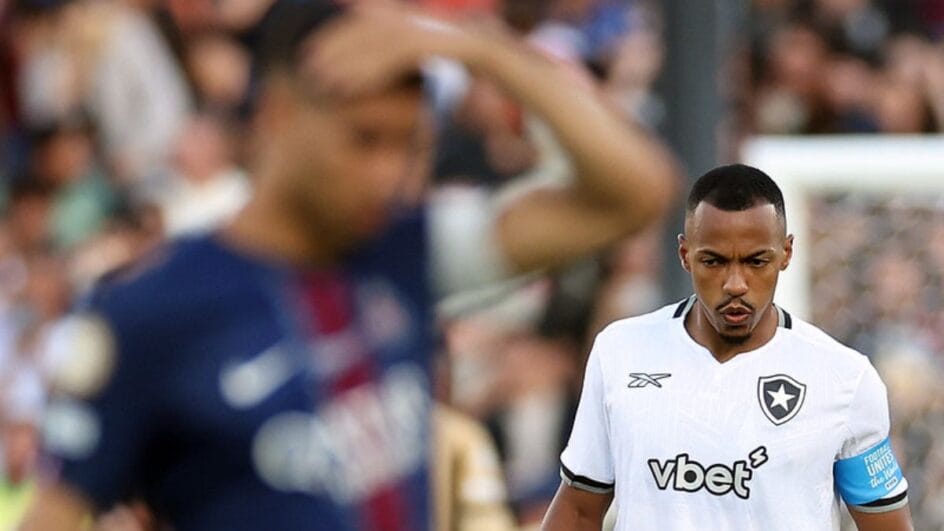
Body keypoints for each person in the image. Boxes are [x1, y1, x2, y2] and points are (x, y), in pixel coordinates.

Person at [19, 1, 674, 529]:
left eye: (405, 143)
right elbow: (54, 513)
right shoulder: (151, 310)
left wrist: (477, 47)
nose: (388, 174)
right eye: (363, 140)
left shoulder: (403, 253)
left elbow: (635, 189)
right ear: (277, 116)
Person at [542, 164, 913, 531]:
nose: (735, 283)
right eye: (714, 261)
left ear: (786, 253)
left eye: (756, 261)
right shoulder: (621, 352)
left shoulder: (844, 378)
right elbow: (578, 510)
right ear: (685, 255)